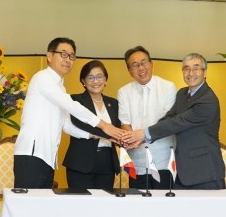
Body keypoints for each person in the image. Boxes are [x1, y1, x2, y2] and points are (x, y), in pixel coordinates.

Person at [14, 37, 123, 189]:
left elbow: (66, 124)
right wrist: (104, 125)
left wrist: (94, 134)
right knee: (28, 208)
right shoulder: (42, 78)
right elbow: (71, 106)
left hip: (47, 157)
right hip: (32, 154)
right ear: (49, 56)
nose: (68, 60)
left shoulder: (60, 87)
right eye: (63, 54)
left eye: (72, 56)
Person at [122, 53, 226, 190]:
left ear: (204, 72)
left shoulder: (208, 100)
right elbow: (169, 118)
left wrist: (142, 134)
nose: (191, 73)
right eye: (186, 69)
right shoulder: (182, 93)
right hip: (183, 173)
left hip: (205, 173)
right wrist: (142, 139)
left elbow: (177, 122)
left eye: (196, 68)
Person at [117, 46, 177, 189]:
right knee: (138, 207)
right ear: (130, 71)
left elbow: (168, 123)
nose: (141, 68)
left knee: (164, 206)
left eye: (144, 62)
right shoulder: (123, 92)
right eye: (135, 65)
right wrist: (131, 139)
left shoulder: (168, 87)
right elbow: (124, 123)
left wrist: (139, 136)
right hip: (136, 160)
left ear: (151, 64)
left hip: (163, 160)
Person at [63, 60, 120, 189]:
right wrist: (94, 135)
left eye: (99, 76)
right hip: (80, 162)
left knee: (103, 205)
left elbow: (117, 128)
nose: (96, 81)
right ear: (83, 81)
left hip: (107, 163)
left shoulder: (114, 103)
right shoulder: (75, 100)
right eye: (90, 77)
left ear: (105, 80)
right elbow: (68, 126)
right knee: (81, 206)